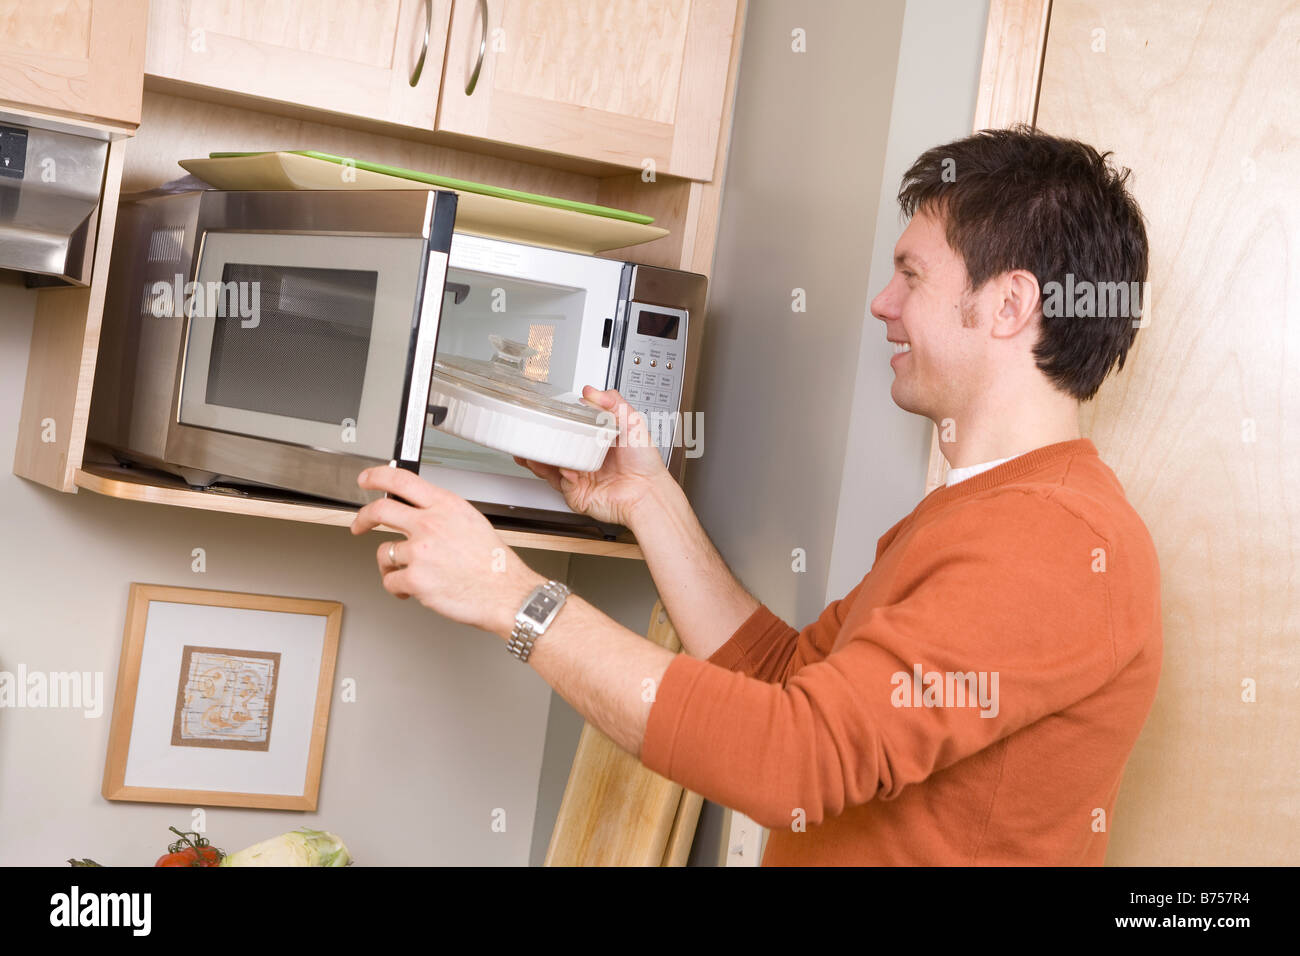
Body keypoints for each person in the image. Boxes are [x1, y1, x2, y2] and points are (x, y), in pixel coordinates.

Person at [352, 125, 1162, 865]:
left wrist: (513, 596)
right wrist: (648, 501)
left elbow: (794, 759)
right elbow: (788, 681)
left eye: (910, 275)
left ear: (1009, 304)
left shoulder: (1054, 543)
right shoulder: (983, 511)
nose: (883, 303)